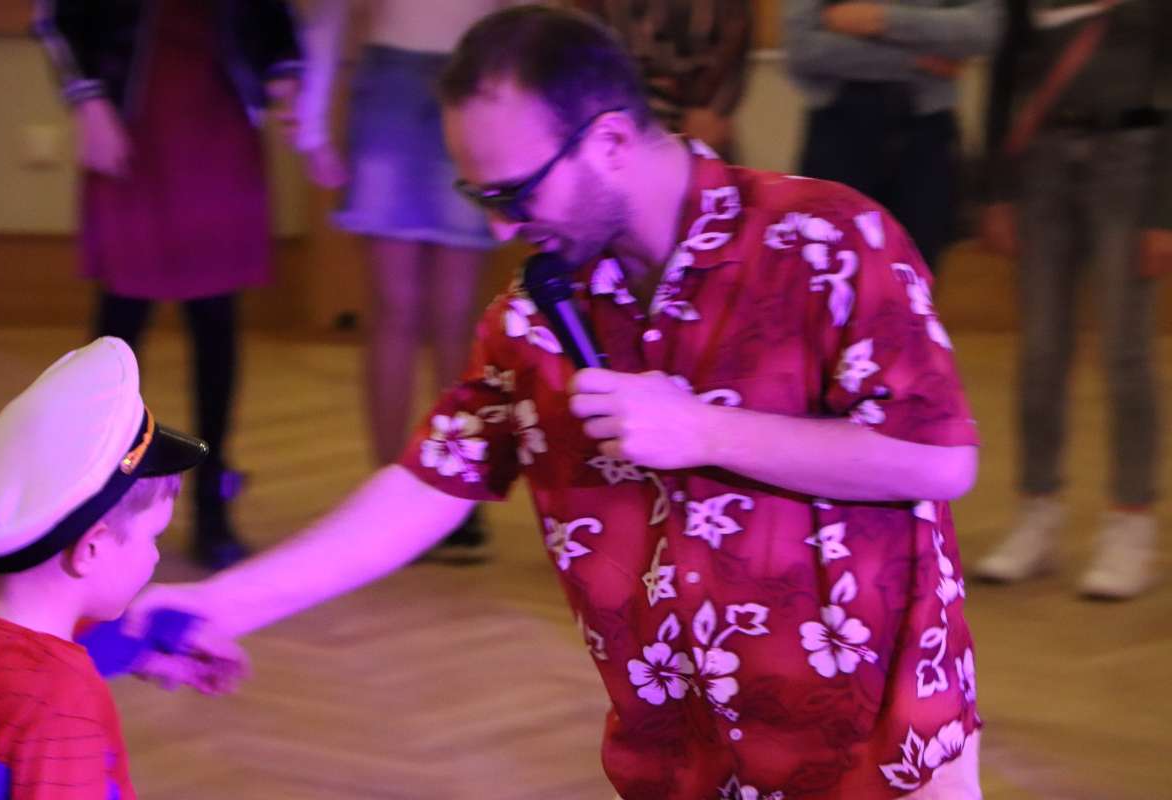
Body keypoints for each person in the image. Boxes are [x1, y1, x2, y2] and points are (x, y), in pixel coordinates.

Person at [128, 7, 983, 797]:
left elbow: (938, 458)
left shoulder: (827, 237)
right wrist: (220, 606)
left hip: (877, 753)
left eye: (514, 194)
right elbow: (427, 484)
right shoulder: (533, 316)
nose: (500, 229)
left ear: (608, 140)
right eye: (481, 198)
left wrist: (704, 431)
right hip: (683, 760)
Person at [33, 0, 304, 570]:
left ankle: (211, 503)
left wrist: (285, 73)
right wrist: (89, 102)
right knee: (119, 330)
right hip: (133, 125)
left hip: (219, 123)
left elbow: (269, 18)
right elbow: (56, 14)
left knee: (215, 323)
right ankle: (90, 496)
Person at [295, 0, 522, 563]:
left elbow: (521, 19)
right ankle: (388, 492)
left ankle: (455, 491)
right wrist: (312, 122)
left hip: (478, 82)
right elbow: (331, 13)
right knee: (394, 308)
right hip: (391, 86)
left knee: (456, 314)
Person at [0, 337, 243, 800]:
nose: (156, 557)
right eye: (153, 536)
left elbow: (24, 667)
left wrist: (141, 648)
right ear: (92, 548)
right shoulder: (62, 708)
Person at [975, 0, 1171, 599]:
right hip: (1042, 165)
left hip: (1132, 163)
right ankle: (1036, 512)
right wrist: (995, 190)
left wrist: (1164, 212)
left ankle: (1130, 522)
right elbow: (1004, 76)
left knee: (1125, 354)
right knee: (1041, 352)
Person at [783, 0, 1001, 274]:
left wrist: (883, 19)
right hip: (840, 134)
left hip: (924, 138)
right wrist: (914, 60)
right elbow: (803, 50)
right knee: (831, 281)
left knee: (913, 283)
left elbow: (983, 31)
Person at [570, 0, 753, 160]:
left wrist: (714, 109)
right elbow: (581, 37)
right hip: (616, 118)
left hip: (694, 118)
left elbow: (735, 39)